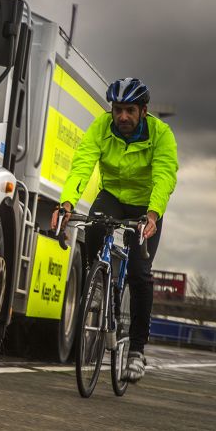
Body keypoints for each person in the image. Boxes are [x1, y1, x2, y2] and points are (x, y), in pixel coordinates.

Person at [52, 77, 178, 383]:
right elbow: (82, 164)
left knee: (139, 272)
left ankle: (136, 350)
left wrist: (152, 215)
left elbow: (164, 175)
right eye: (117, 110)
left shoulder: (161, 134)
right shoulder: (101, 127)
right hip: (112, 198)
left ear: (143, 111)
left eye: (129, 110)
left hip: (145, 205)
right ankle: (96, 282)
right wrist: (66, 204)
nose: (122, 116)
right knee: (94, 229)